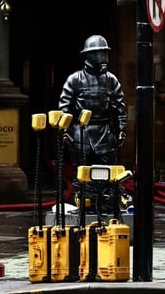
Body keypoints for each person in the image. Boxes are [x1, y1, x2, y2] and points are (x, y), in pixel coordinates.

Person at [59, 35, 128, 213]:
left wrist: (121, 130)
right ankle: (83, 204)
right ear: (89, 55)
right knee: (81, 173)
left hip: (104, 132)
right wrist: (65, 131)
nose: (104, 57)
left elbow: (120, 108)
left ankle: (105, 206)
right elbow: (64, 107)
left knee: (107, 174)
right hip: (81, 132)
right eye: (100, 53)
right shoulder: (74, 80)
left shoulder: (111, 80)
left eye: (105, 53)